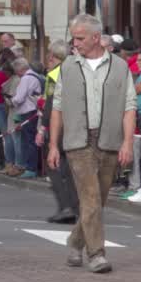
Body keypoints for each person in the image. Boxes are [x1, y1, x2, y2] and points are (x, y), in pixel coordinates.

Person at [47, 14, 136, 274]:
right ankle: (96, 254)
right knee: (90, 196)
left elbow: (129, 107)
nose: (75, 43)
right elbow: (58, 107)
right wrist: (53, 144)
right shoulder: (67, 67)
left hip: (109, 139)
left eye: (80, 38)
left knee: (98, 200)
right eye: (74, 37)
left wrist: (127, 143)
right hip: (78, 141)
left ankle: (75, 240)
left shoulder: (120, 67)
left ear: (96, 38)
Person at [37, 40, 77, 223]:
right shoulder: (74, 72)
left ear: (53, 56)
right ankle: (75, 208)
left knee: (54, 167)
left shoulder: (54, 75)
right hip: (75, 124)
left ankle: (65, 207)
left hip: (58, 126)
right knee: (69, 170)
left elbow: (52, 103)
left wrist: (43, 127)